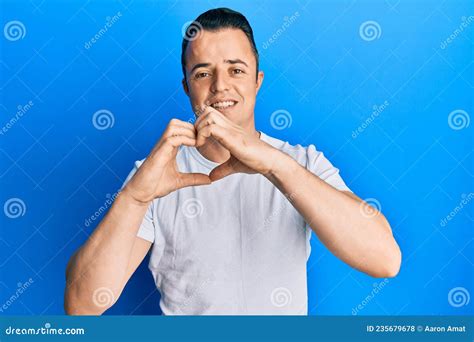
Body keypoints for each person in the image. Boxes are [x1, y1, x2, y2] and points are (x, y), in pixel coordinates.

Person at [64, 8, 401, 315]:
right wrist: (135, 197)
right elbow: (82, 305)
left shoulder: (302, 162)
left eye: (236, 70)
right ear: (187, 88)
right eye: (202, 74)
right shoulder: (156, 173)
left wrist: (275, 165)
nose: (220, 86)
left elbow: (384, 259)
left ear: (258, 81)